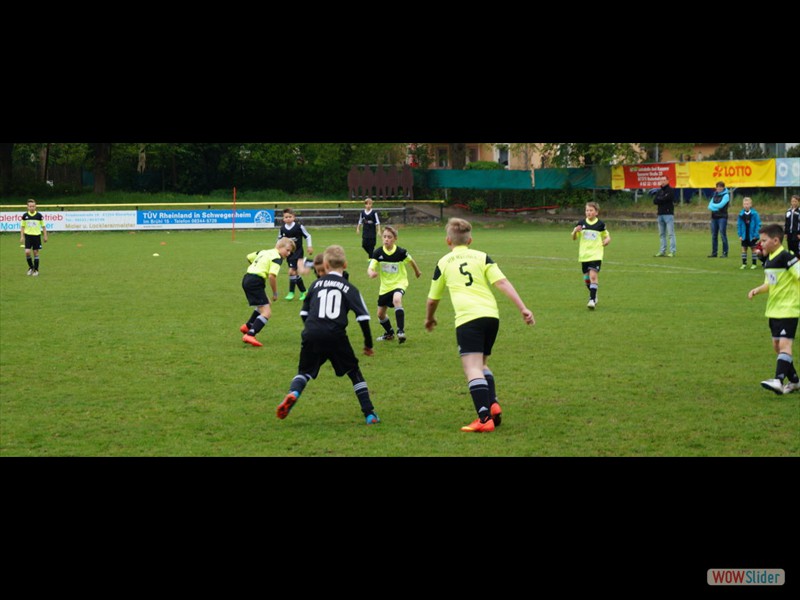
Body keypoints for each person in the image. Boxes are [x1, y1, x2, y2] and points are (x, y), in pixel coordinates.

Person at [424, 218, 535, 433]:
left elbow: (432, 299)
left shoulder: (443, 262)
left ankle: (484, 419)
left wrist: (430, 318)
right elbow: (502, 282)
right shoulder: (482, 257)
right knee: (482, 364)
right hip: (491, 316)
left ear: (448, 241)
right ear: (470, 240)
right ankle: (492, 404)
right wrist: (523, 308)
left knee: (472, 368)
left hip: (468, 319)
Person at [276, 245, 381, 425]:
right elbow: (363, 317)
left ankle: (294, 393)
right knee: (353, 372)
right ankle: (370, 414)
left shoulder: (315, 285)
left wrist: (313, 331)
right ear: (345, 265)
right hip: (335, 335)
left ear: (325, 265)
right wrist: (368, 344)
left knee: (304, 372)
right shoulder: (349, 288)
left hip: (312, 333)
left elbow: (303, 313)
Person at [747, 224, 800, 395]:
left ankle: (778, 380)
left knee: (785, 345)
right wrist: (757, 290)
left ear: (776, 241)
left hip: (789, 309)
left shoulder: (787, 257)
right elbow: (770, 283)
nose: (761, 244)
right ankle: (795, 381)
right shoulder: (770, 260)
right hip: (774, 309)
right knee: (778, 347)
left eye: (764, 241)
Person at [367, 226, 422, 344]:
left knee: (397, 299)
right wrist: (371, 273)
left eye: (389, 237)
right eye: (384, 237)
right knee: (380, 315)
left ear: (395, 239)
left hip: (399, 283)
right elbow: (370, 267)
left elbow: (411, 261)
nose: (386, 239)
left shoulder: (401, 252)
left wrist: (417, 271)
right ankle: (389, 333)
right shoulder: (378, 252)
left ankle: (400, 331)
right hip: (385, 287)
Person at [240, 238, 296, 347]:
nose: (289, 254)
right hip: (255, 281)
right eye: (288, 250)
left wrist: (257, 266)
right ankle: (250, 334)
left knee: (266, 303)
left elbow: (249, 257)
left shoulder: (264, 252)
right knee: (267, 312)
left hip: (247, 278)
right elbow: (272, 276)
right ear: (280, 246)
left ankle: (247, 326)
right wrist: (275, 293)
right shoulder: (277, 258)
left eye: (290, 252)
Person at [571, 201, 611, 309]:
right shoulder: (581, 223)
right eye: (587, 210)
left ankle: (592, 300)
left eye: (591, 210)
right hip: (584, 255)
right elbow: (574, 238)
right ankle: (594, 293)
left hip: (596, 254)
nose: (588, 212)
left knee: (593, 276)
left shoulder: (600, 224)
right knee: (586, 279)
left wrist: (607, 240)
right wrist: (575, 231)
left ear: (596, 212)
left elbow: (607, 236)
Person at [277, 208, 313, 301]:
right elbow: (279, 240)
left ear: (294, 217)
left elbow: (308, 236)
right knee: (294, 273)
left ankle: (291, 292)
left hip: (298, 252)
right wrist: (277, 249)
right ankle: (304, 291)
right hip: (288, 253)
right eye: (286, 217)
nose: (288, 218)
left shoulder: (299, 227)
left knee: (291, 271)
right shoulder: (282, 229)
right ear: (283, 219)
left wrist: (309, 246)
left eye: (290, 217)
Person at [20, 198, 47, 276]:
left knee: (35, 253)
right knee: (27, 252)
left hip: (36, 236)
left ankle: (36, 270)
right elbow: (22, 227)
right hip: (28, 236)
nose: (32, 208)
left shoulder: (39, 216)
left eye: (33, 206)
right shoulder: (25, 216)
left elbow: (43, 227)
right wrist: (22, 236)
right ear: (27, 207)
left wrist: (45, 236)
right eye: (30, 206)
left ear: (35, 207)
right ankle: (31, 267)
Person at [653, 176, 677, 257]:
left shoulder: (670, 190)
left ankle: (672, 251)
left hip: (668, 214)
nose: (662, 182)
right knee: (662, 234)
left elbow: (667, 199)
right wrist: (661, 198)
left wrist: (660, 199)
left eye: (664, 180)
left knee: (670, 234)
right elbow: (655, 201)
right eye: (661, 180)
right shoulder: (659, 191)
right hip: (660, 214)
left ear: (667, 181)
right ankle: (662, 251)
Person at [737, 197, 762, 270]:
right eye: (745, 204)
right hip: (744, 235)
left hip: (752, 235)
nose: (746, 205)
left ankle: (754, 264)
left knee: (753, 249)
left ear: (751, 204)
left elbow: (758, 224)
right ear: (743, 205)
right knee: (744, 249)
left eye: (747, 204)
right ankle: (744, 263)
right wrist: (740, 235)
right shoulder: (741, 214)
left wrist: (756, 234)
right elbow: (739, 225)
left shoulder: (755, 214)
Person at [707, 181, 731, 258]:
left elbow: (720, 205)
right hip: (714, 217)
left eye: (720, 187)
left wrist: (714, 206)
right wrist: (715, 207)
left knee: (723, 235)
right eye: (718, 187)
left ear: (723, 187)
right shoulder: (715, 194)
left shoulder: (726, 195)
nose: (719, 188)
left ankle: (725, 252)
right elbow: (709, 206)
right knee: (714, 235)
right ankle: (714, 253)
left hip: (722, 217)